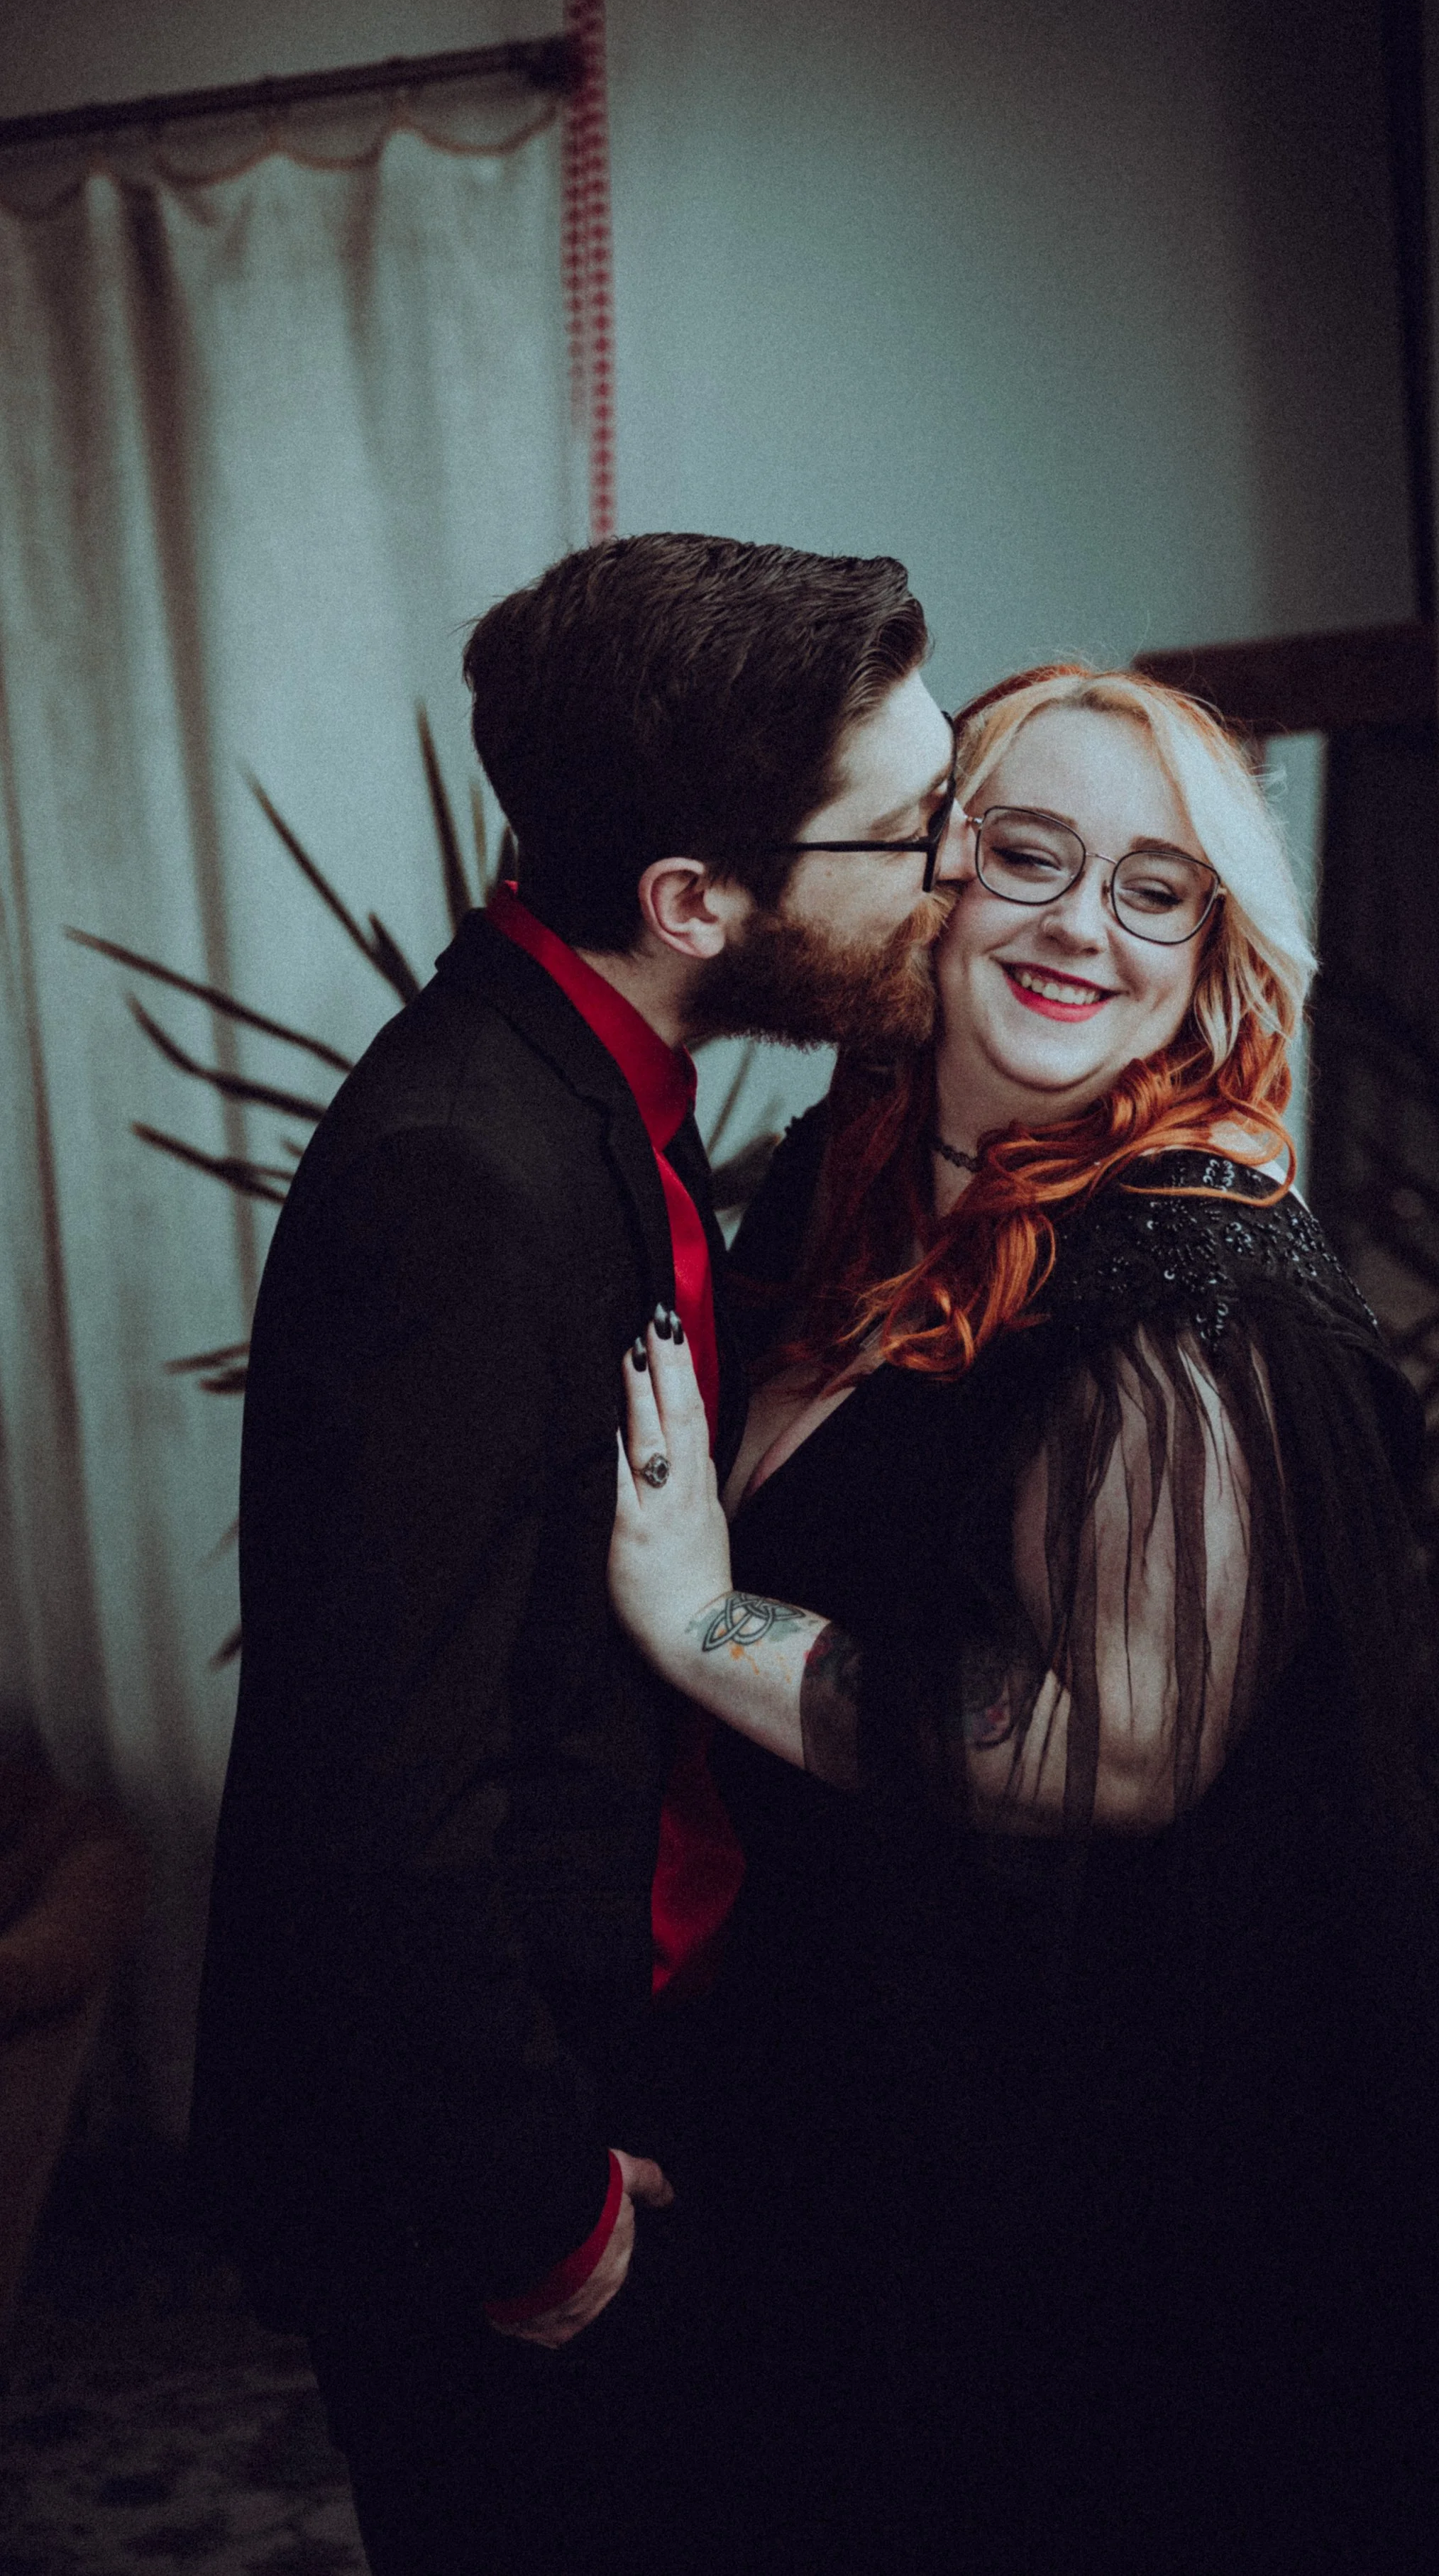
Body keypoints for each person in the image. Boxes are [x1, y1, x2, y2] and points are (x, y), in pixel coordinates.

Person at [609, 665, 1439, 2575]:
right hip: (867, 2073)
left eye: (1155, 888)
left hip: (1105, 2155)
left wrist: (696, 1616)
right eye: (1026, 853)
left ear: (1213, 949)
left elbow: (1108, 1745)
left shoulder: (1189, 1284)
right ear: (931, 880)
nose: (1080, 924)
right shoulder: (852, 1161)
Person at [188, 532, 957, 2576]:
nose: (953, 872)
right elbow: (374, 1789)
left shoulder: (610, 1088)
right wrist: (552, 2219)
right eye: (910, 835)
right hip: (492, 2165)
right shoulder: (461, 1165)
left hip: (617, 2051)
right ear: (693, 901)